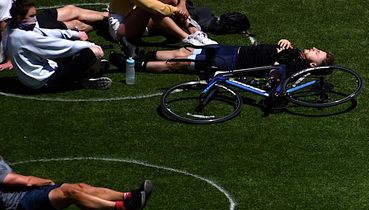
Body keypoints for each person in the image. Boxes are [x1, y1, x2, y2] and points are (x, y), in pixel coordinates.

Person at [2, 156, 151, 210]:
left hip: (25, 193)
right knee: (71, 193)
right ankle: (124, 207)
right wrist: (47, 181)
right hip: (20, 205)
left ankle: (129, 196)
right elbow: (27, 182)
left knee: (81, 187)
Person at [2, 4, 108, 90]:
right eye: (31, 16)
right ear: (19, 17)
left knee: (77, 51)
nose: (35, 19)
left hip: (36, 77)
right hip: (45, 82)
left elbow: (46, 32)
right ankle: (86, 77)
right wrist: (91, 45)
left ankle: (85, 75)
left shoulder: (14, 28)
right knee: (94, 51)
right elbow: (60, 46)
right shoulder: (24, 37)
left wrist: (75, 34)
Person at [135, 38, 333, 75]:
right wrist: (285, 41)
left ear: (314, 65)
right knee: (187, 51)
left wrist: (278, 59)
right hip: (236, 51)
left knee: (182, 64)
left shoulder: (297, 66)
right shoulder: (297, 54)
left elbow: (276, 72)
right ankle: (138, 55)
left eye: (317, 53)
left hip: (234, 62)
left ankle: (138, 64)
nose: (314, 48)